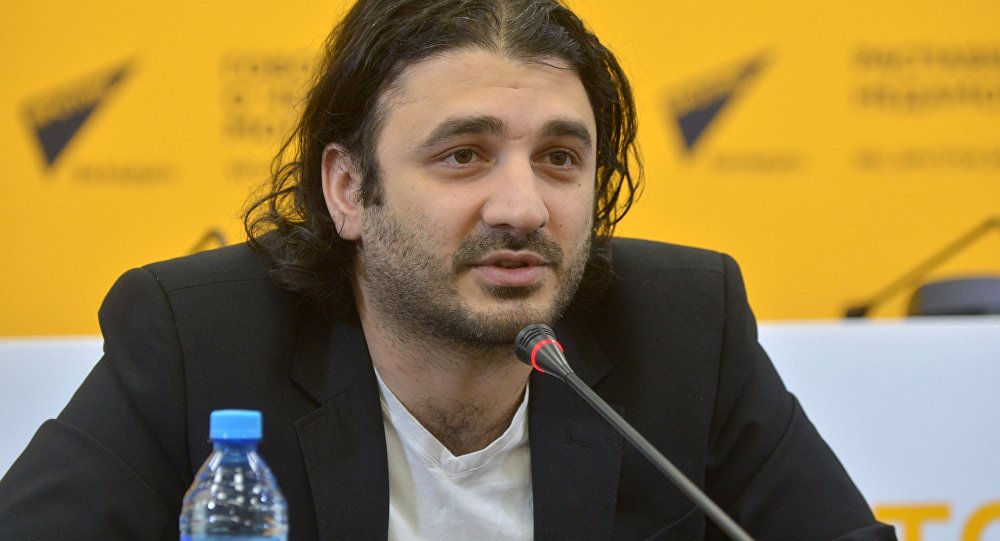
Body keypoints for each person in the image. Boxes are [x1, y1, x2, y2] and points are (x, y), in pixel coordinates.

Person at [0, 0, 896, 539]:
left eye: (560, 158)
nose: (522, 207)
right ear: (349, 189)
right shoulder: (201, 339)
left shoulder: (685, 327)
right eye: (464, 155)